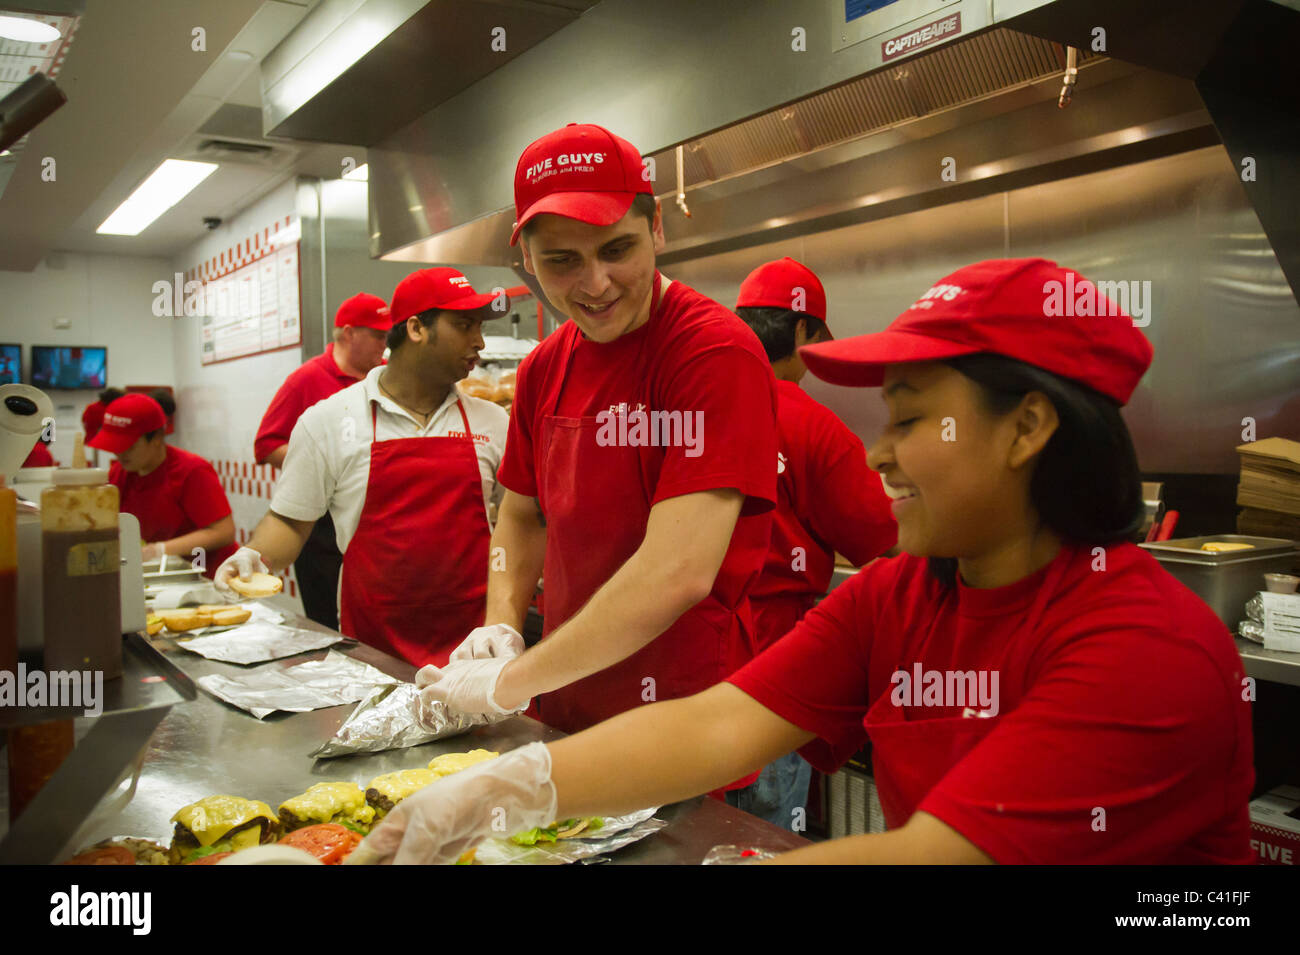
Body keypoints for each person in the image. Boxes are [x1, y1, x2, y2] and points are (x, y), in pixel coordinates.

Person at [350, 258, 1254, 865]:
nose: (881, 455)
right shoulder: (904, 594)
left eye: (908, 420)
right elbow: (713, 726)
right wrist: (506, 787)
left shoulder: (1143, 647)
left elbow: (930, 854)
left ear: (1029, 427)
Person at [417, 124, 780, 801]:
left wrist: (508, 683)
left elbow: (677, 573)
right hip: (566, 719)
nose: (596, 283)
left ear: (658, 228)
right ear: (523, 257)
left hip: (683, 737)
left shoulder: (711, 354)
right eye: (562, 261)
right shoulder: (544, 367)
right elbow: (522, 514)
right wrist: (501, 619)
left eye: (618, 249)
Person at [214, 270, 507, 667]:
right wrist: (254, 556)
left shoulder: (494, 421)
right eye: (464, 325)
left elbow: (517, 523)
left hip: (475, 646)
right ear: (417, 328)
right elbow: (290, 521)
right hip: (372, 647)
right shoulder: (329, 420)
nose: (480, 342)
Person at [729, 257, 897, 830]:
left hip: (688, 661)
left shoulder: (690, 408)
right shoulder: (812, 425)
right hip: (779, 670)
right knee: (768, 835)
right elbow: (891, 545)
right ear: (802, 331)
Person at [253, 293, 391, 630]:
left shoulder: (386, 378)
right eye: (377, 335)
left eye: (388, 336)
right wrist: (331, 464)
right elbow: (266, 445)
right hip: (321, 526)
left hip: (374, 519)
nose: (384, 345)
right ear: (349, 333)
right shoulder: (306, 379)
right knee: (329, 624)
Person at [87, 393, 238, 577]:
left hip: (210, 576)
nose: (120, 454)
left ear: (157, 437)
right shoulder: (120, 473)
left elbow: (223, 532)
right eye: (115, 446)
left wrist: (158, 550)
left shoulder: (191, 471)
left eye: (129, 446)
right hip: (168, 573)